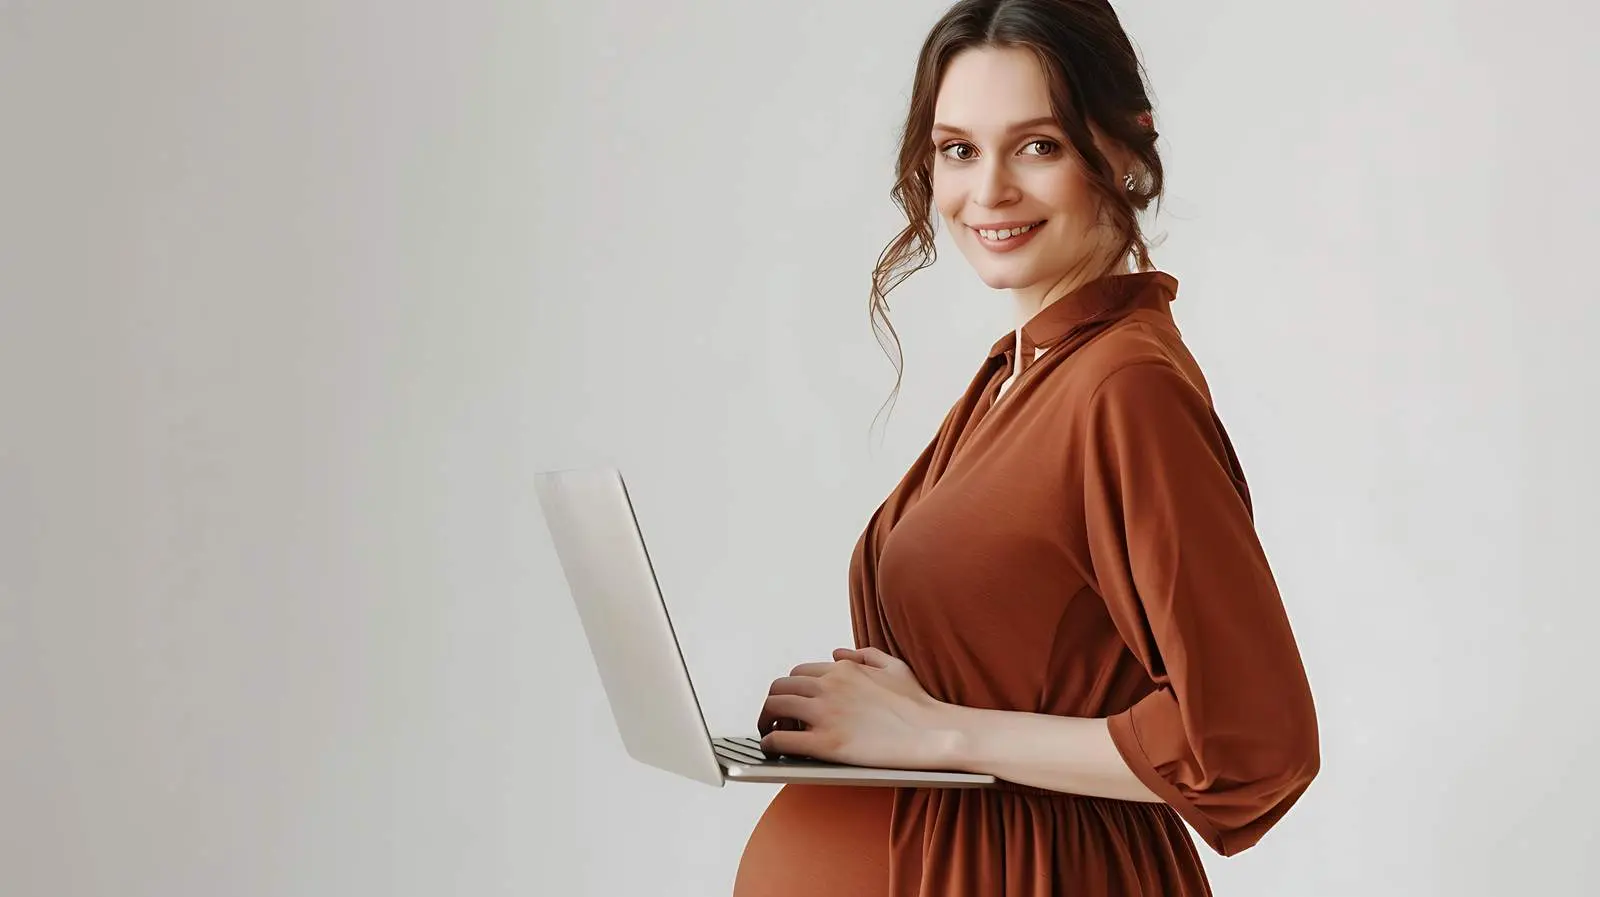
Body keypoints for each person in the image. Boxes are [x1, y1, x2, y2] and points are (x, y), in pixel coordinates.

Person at [731, 1, 1320, 895]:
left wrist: (936, 733)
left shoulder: (1126, 387)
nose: (989, 190)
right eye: (959, 149)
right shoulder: (1020, 374)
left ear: (1123, 149)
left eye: (1037, 145)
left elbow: (1246, 742)